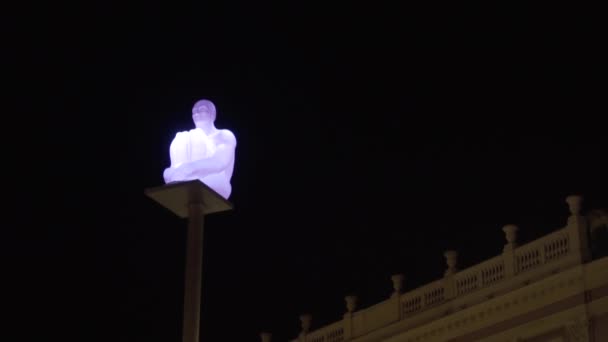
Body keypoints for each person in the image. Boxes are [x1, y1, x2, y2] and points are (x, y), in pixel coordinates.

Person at [163, 99, 237, 199]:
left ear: (212, 114)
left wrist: (187, 169)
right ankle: (184, 180)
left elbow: (219, 162)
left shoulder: (223, 135)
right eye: (194, 111)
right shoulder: (188, 137)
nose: (196, 113)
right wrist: (174, 171)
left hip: (216, 182)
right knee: (182, 136)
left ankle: (185, 180)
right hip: (185, 177)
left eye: (201, 110)